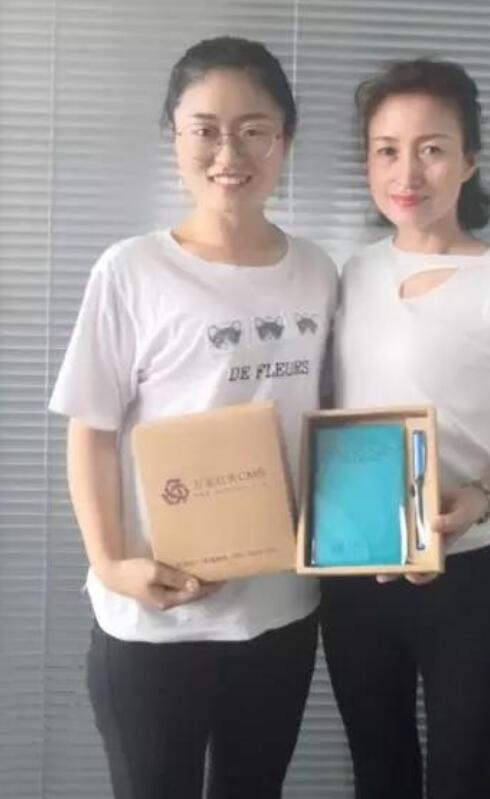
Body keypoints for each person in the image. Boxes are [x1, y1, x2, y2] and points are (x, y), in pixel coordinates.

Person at [49, 36, 337, 799]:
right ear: (173, 137)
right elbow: (90, 431)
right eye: (204, 129)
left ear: (283, 140)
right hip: (157, 616)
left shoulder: (316, 271)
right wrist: (112, 563)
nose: (228, 154)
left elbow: (332, 424)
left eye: (253, 130)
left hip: (280, 611)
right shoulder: (132, 270)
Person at [320, 58, 490, 799]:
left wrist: (478, 499)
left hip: (474, 571)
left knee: (465, 774)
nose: (407, 172)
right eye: (386, 149)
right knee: (378, 769)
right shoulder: (348, 275)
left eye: (431, 149)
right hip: (359, 564)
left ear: (469, 160)